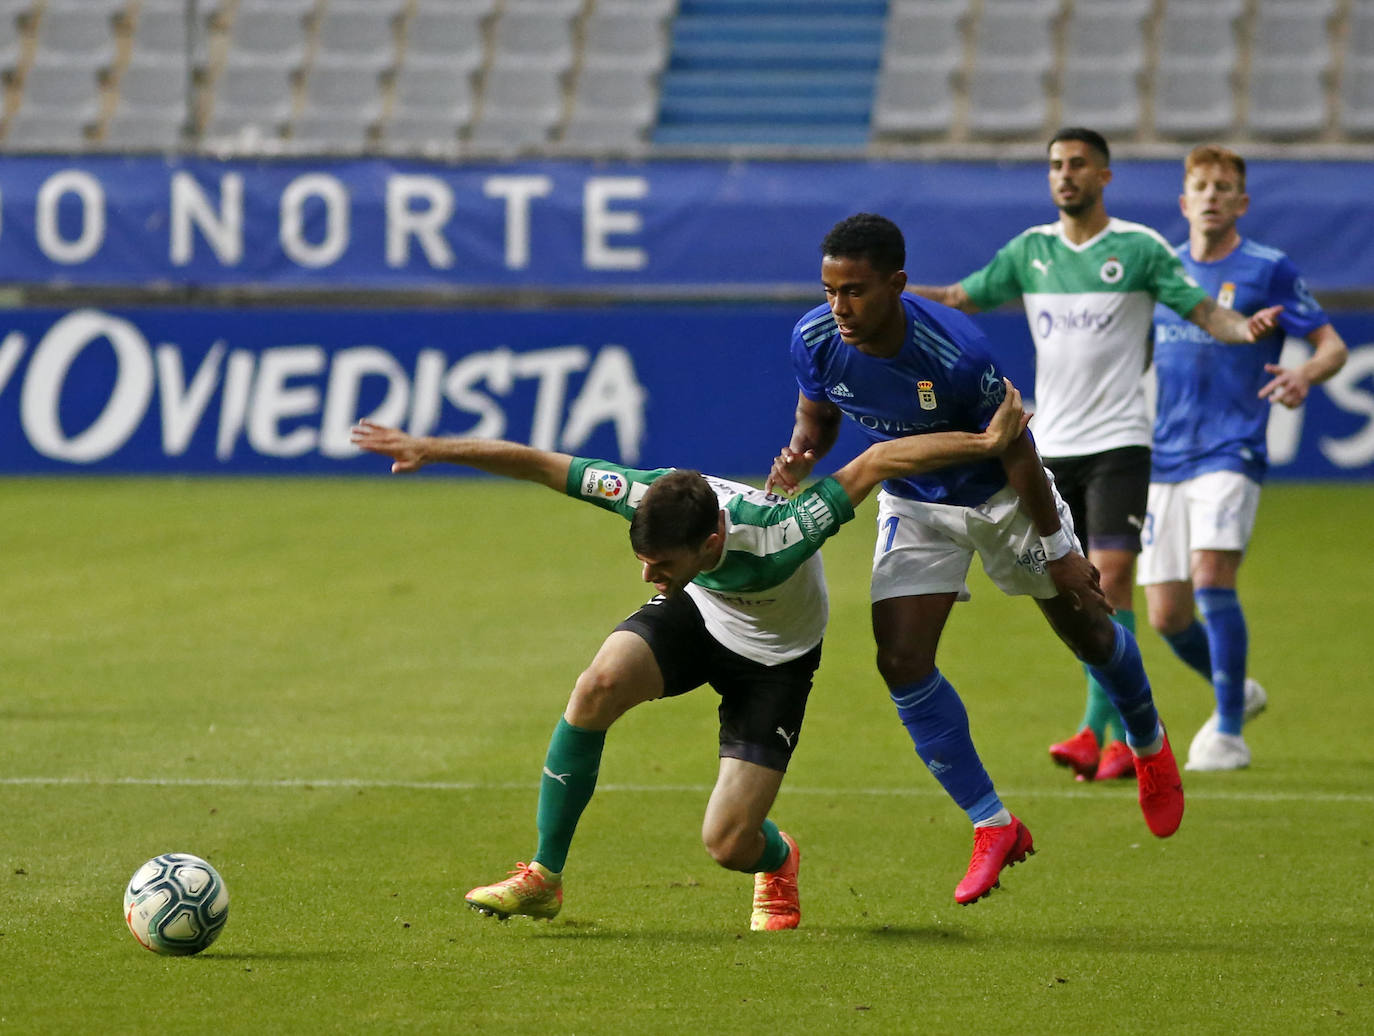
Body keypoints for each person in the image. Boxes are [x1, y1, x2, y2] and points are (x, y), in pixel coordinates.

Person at [349, 390, 1026, 929]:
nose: (647, 574)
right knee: (596, 687)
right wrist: (431, 447)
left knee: (729, 845)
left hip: (778, 659)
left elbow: (877, 461)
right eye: (641, 558)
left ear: (709, 543)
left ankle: (781, 858)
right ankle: (543, 878)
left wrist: (987, 443)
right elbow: (538, 461)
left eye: (661, 562)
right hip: (700, 614)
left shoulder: (781, 535)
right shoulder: (646, 498)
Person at [768, 212, 1185, 906]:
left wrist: (1058, 551)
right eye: (829, 290)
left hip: (1000, 496)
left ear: (897, 284)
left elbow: (1015, 447)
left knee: (1084, 625)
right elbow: (818, 419)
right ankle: (993, 824)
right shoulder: (814, 338)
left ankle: (1147, 740)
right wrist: (798, 457)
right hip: (914, 502)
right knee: (899, 660)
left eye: (855, 291)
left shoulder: (955, 352)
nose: (838, 307)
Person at [907, 127, 1280, 783]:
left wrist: (1241, 329)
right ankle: (1108, 736)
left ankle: (1099, 732)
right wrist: (898, 296)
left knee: (1106, 580)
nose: (1064, 175)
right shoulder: (1032, 251)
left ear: (1104, 176)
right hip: (1050, 447)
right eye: (1055, 165)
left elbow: (1201, 312)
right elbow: (965, 297)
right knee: (1072, 588)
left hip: (1121, 444)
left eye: (1078, 164)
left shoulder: (1138, 249)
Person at [1141, 144, 1349, 772]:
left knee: (1211, 580)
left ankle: (1228, 730)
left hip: (1232, 449)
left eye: (1224, 186)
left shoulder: (1268, 266)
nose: (1211, 196)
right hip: (1165, 456)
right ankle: (1241, 690)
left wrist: (1304, 375)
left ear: (1242, 202)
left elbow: (1332, 344)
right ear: (1184, 201)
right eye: (1201, 186)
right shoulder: (1164, 274)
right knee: (1166, 615)